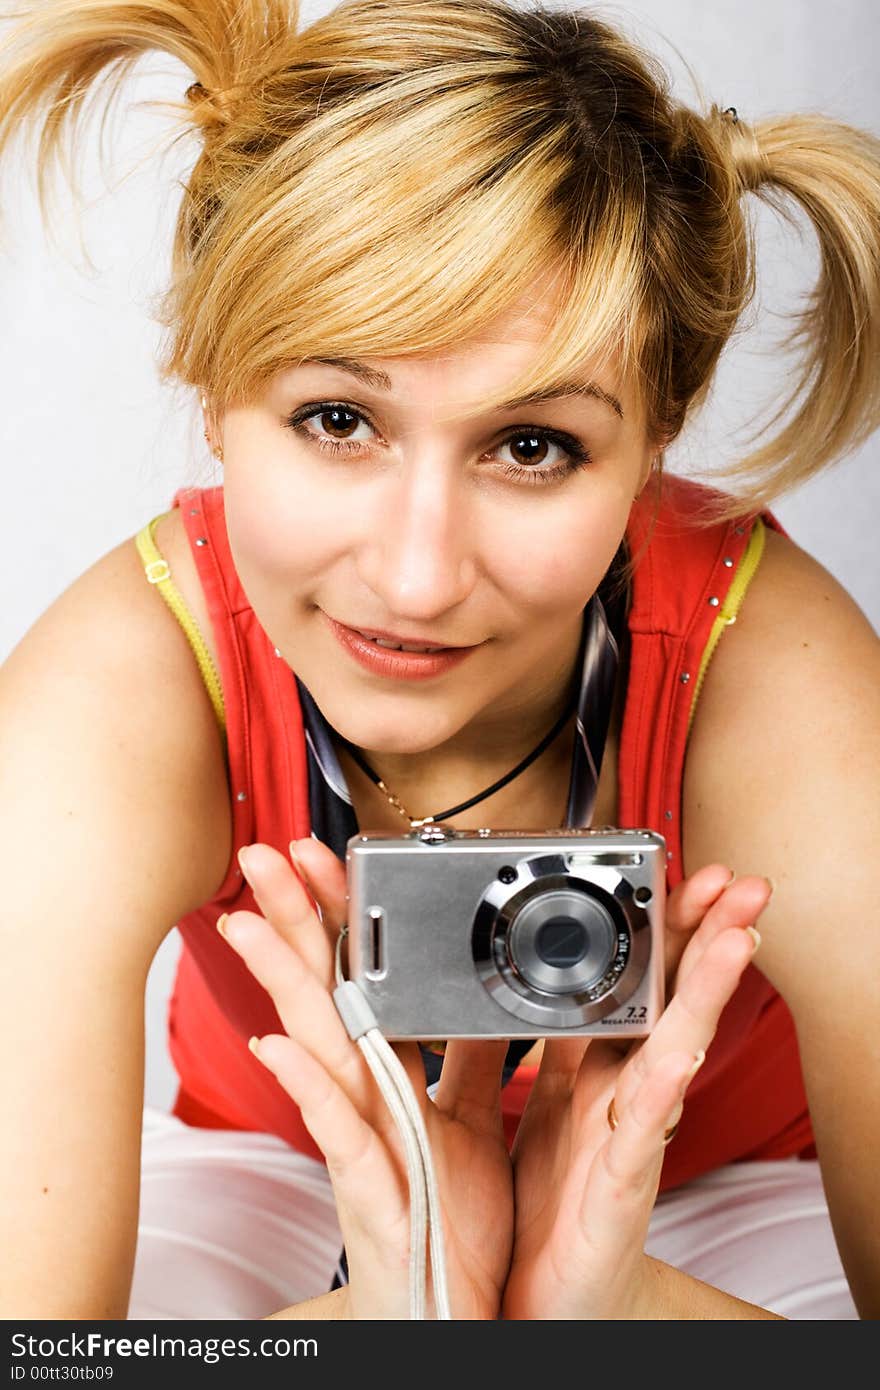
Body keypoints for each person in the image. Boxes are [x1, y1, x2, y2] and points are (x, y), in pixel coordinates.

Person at [0, 0, 878, 1322]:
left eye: (532, 445)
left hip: (715, 1177)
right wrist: (387, 1322)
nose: (416, 575)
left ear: (657, 436)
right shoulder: (117, 687)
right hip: (282, 1161)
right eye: (337, 417)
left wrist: (614, 1307)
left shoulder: (769, 667)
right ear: (211, 387)